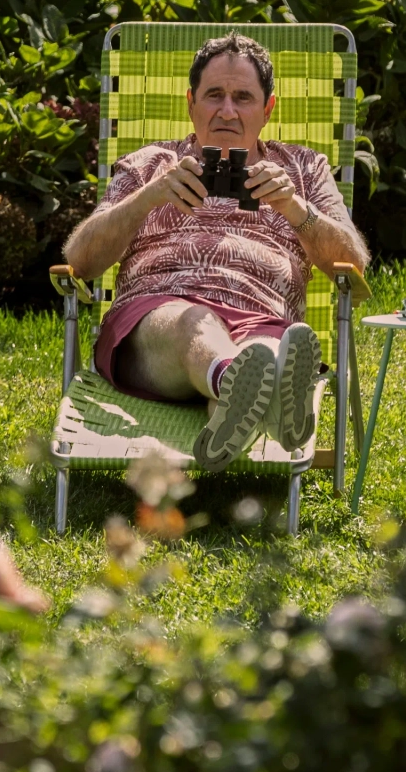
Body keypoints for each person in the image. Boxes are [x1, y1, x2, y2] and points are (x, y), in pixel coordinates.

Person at [63, 33, 370, 472]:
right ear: (191, 103)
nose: (227, 110)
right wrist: (150, 197)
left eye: (243, 97)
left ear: (267, 110)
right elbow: (80, 260)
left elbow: (353, 265)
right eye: (214, 95)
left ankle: (245, 400)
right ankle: (253, 390)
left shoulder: (303, 168)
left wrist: (295, 208)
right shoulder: (151, 164)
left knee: (267, 350)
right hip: (160, 321)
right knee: (197, 325)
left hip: (261, 318)